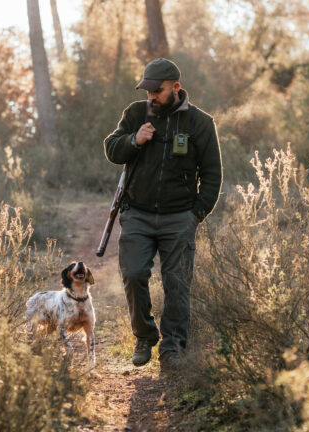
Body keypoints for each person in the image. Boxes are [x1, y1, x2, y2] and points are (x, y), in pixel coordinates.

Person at [103, 58, 222, 369]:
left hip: (179, 217)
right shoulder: (135, 113)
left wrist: (196, 214)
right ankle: (144, 336)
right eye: (148, 90)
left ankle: (173, 349)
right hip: (137, 215)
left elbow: (212, 174)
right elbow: (112, 148)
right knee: (133, 274)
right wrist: (134, 139)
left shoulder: (200, 123)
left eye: (158, 90)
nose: (152, 96)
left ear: (176, 88)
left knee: (177, 283)